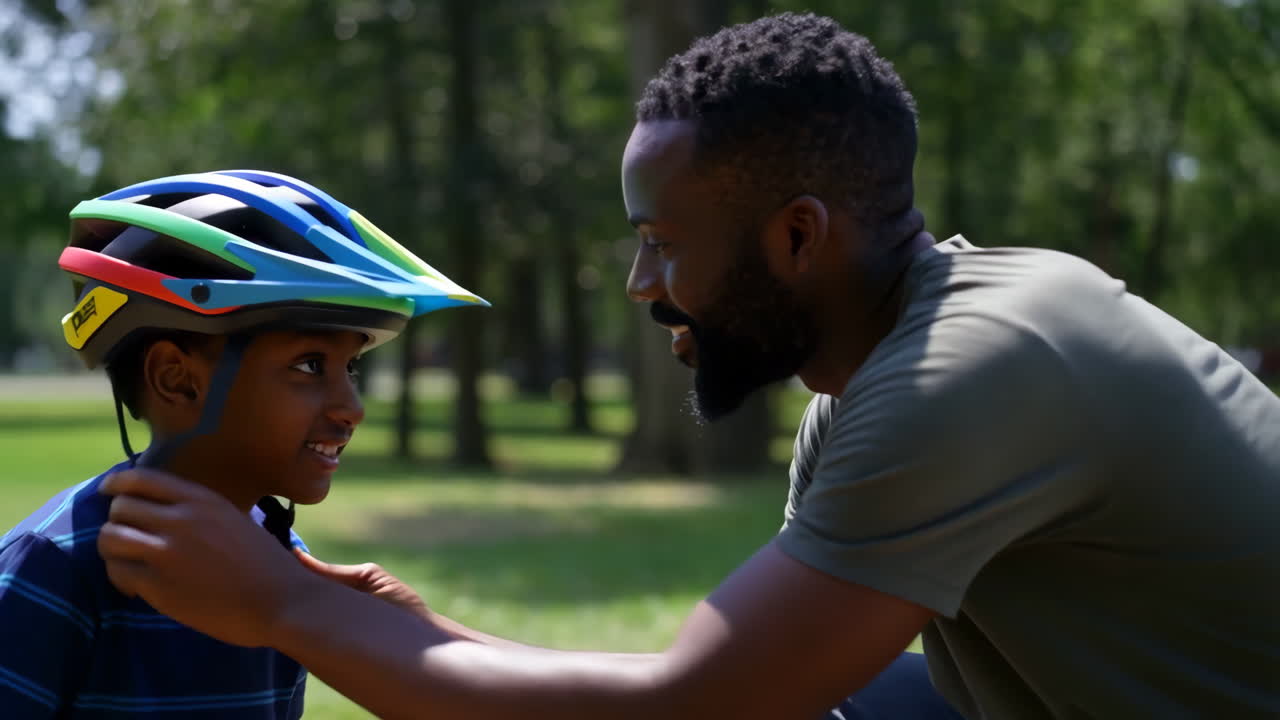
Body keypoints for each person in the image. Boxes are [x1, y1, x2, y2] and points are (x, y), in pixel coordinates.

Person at [93, 13, 1280, 720]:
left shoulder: (971, 370)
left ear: (798, 237)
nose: (640, 285)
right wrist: (431, 630)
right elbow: (738, 684)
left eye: (661, 244)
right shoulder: (870, 385)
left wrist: (281, 602)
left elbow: (694, 711)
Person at [0, 169, 484, 718]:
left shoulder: (277, 566)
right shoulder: (57, 564)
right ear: (177, 378)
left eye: (351, 366)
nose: (352, 408)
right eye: (309, 365)